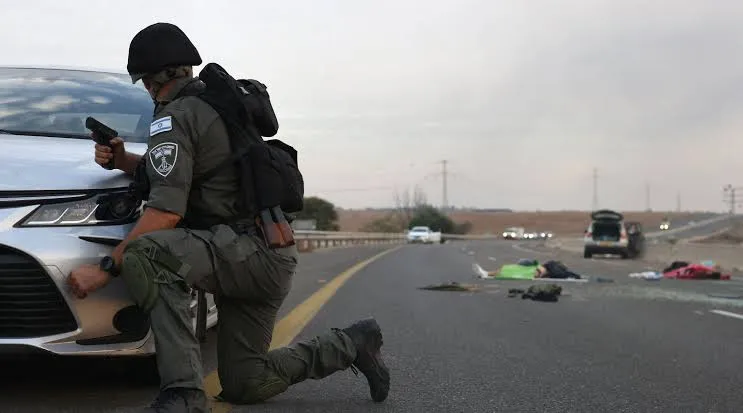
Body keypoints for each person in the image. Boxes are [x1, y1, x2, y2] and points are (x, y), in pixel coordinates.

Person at [66, 22, 390, 412]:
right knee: (246, 382)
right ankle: (353, 343)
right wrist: (124, 160)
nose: (148, 90)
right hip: (269, 253)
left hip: (242, 254)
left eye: (146, 82)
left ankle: (183, 393)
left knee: (146, 254)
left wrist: (105, 268)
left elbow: (166, 214)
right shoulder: (214, 104)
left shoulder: (175, 117)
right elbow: (193, 173)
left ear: (155, 79)